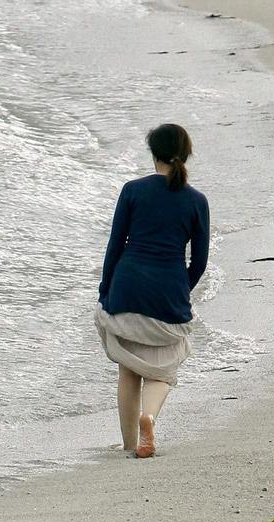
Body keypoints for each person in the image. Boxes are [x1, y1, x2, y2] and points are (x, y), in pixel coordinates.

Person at [95, 123, 209, 458]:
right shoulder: (196, 201)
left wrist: (107, 291)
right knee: (165, 367)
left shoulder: (132, 190)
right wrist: (178, 290)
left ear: (154, 154)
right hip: (168, 291)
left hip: (126, 287)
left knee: (129, 368)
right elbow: (199, 262)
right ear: (186, 154)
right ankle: (149, 417)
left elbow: (115, 247)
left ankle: (130, 444)